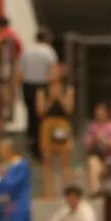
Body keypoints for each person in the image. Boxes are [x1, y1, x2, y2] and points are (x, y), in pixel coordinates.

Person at [36, 64, 75, 198]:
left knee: (65, 158)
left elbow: (69, 110)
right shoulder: (42, 91)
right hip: (47, 124)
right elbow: (40, 112)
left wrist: (60, 98)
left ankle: (68, 192)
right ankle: (49, 192)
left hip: (62, 123)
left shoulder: (68, 89)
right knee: (47, 159)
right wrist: (51, 99)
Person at [19, 27, 58, 151]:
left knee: (30, 114)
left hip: (27, 85)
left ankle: (31, 140)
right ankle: (40, 143)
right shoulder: (49, 51)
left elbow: (20, 71)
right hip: (41, 85)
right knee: (42, 115)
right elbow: (53, 70)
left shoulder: (27, 51)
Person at [83, 102, 111, 195]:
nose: (99, 115)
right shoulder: (92, 127)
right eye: (97, 113)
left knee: (94, 165)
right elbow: (87, 144)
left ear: (107, 113)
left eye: (102, 112)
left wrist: (105, 140)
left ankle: (96, 191)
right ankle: (95, 191)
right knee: (93, 162)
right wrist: (95, 140)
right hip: (96, 157)